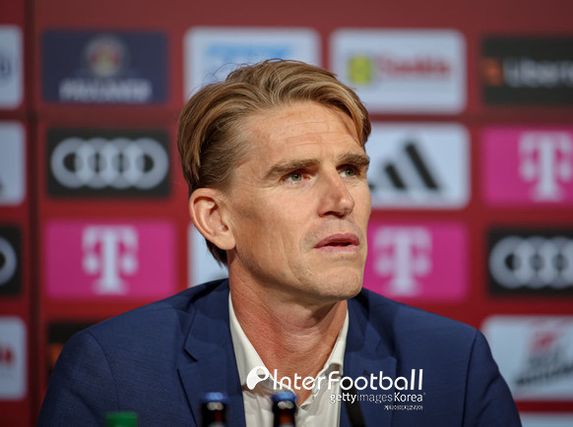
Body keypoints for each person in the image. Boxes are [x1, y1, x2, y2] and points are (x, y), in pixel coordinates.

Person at [38, 60, 521, 426]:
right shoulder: (116, 372)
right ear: (217, 219)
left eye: (350, 170)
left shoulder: (450, 365)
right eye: (296, 175)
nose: (341, 200)